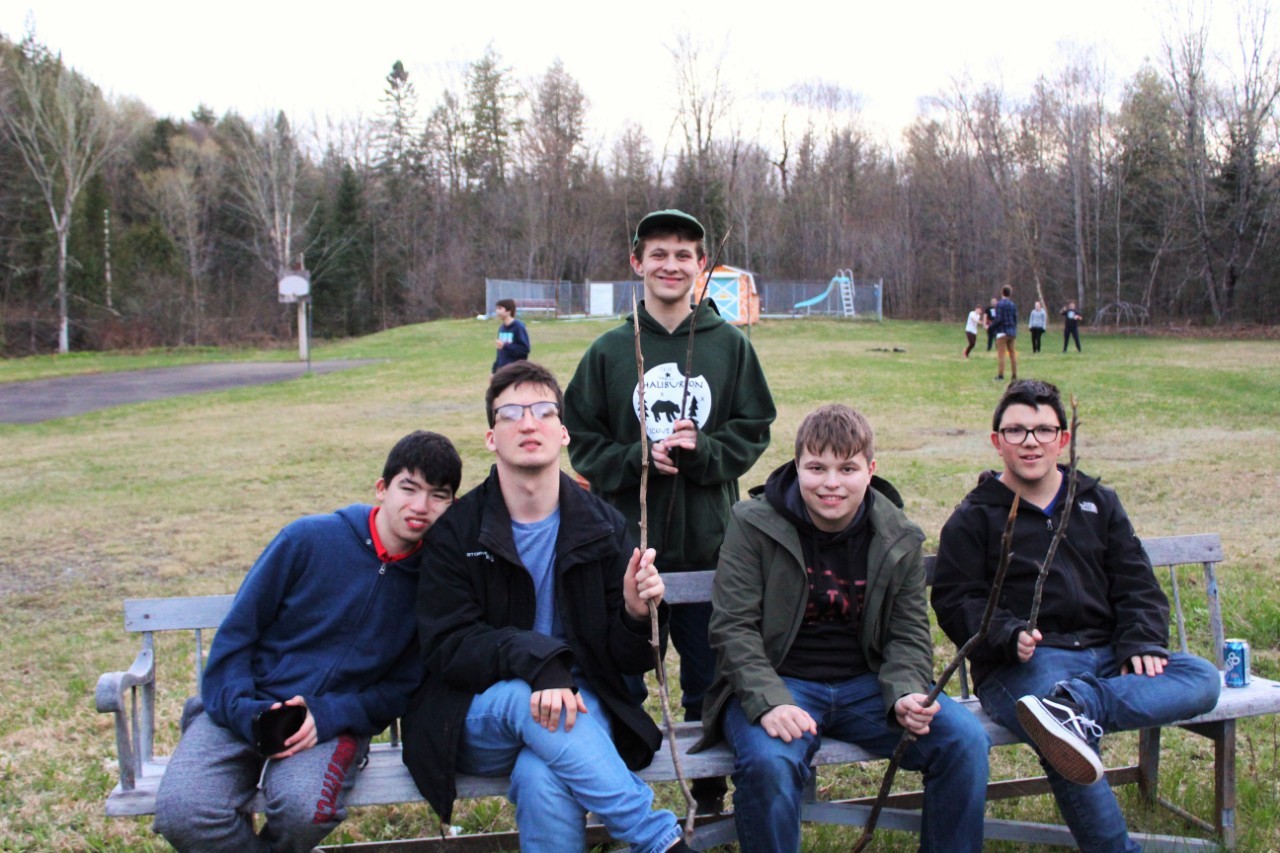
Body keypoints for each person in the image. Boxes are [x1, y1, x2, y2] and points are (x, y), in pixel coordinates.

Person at [402, 361, 692, 853]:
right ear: (492, 437)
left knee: (542, 774)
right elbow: (449, 647)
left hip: (580, 708)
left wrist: (636, 615)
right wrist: (540, 665)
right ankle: (660, 840)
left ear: (563, 432)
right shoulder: (457, 531)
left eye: (541, 410)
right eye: (510, 413)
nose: (528, 423)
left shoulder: (602, 527)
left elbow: (628, 660)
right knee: (527, 705)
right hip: (475, 714)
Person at [931, 379, 1221, 852]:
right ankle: (1069, 720)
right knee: (1057, 735)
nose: (1030, 442)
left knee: (1203, 678)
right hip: (1026, 665)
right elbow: (956, 599)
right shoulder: (975, 516)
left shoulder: (1095, 502)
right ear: (996, 441)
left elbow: (1136, 581)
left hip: (1106, 656)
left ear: (1063, 439)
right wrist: (1007, 634)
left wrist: (1142, 640)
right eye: (1017, 430)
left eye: (1044, 430)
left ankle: (1077, 707)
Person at [695, 404, 989, 853]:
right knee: (770, 764)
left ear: (870, 470)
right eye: (817, 467)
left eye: (847, 468)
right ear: (797, 467)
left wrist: (907, 690)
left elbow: (909, 632)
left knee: (964, 741)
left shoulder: (898, 536)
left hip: (868, 686)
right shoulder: (752, 524)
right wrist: (769, 701)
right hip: (781, 683)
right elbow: (733, 628)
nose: (831, 482)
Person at [153, 431, 462, 852]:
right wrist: (246, 711)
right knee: (183, 812)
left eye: (438, 495)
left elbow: (402, 687)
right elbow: (237, 635)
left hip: (331, 722)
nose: (420, 506)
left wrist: (330, 713)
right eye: (408, 488)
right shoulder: (307, 540)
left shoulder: (436, 583)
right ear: (382, 488)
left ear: (452, 505)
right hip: (243, 706)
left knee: (304, 810)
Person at [563, 208, 776, 813]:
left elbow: (755, 426)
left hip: (711, 550)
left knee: (709, 681)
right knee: (622, 678)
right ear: (637, 263)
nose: (671, 265)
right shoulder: (610, 351)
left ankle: (707, 794)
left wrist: (704, 450)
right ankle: (622, 798)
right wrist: (637, 458)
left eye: (684, 254)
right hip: (627, 550)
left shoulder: (729, 346)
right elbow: (581, 437)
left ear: (701, 266)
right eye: (658, 253)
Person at [492, 297, 531, 373]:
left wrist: (505, 346)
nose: (497, 311)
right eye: (496, 308)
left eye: (500, 308)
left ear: (508, 311)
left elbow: (524, 350)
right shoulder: (502, 328)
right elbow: (500, 352)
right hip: (503, 370)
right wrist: (494, 371)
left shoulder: (518, 327)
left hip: (516, 370)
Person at [993, 284, 1018, 382]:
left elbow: (998, 319)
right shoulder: (1012, 305)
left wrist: (991, 327)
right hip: (1012, 332)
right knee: (1012, 353)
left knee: (1001, 354)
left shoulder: (1000, 304)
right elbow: (1015, 318)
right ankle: (1014, 374)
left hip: (1002, 332)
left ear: (1002, 292)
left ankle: (1001, 375)